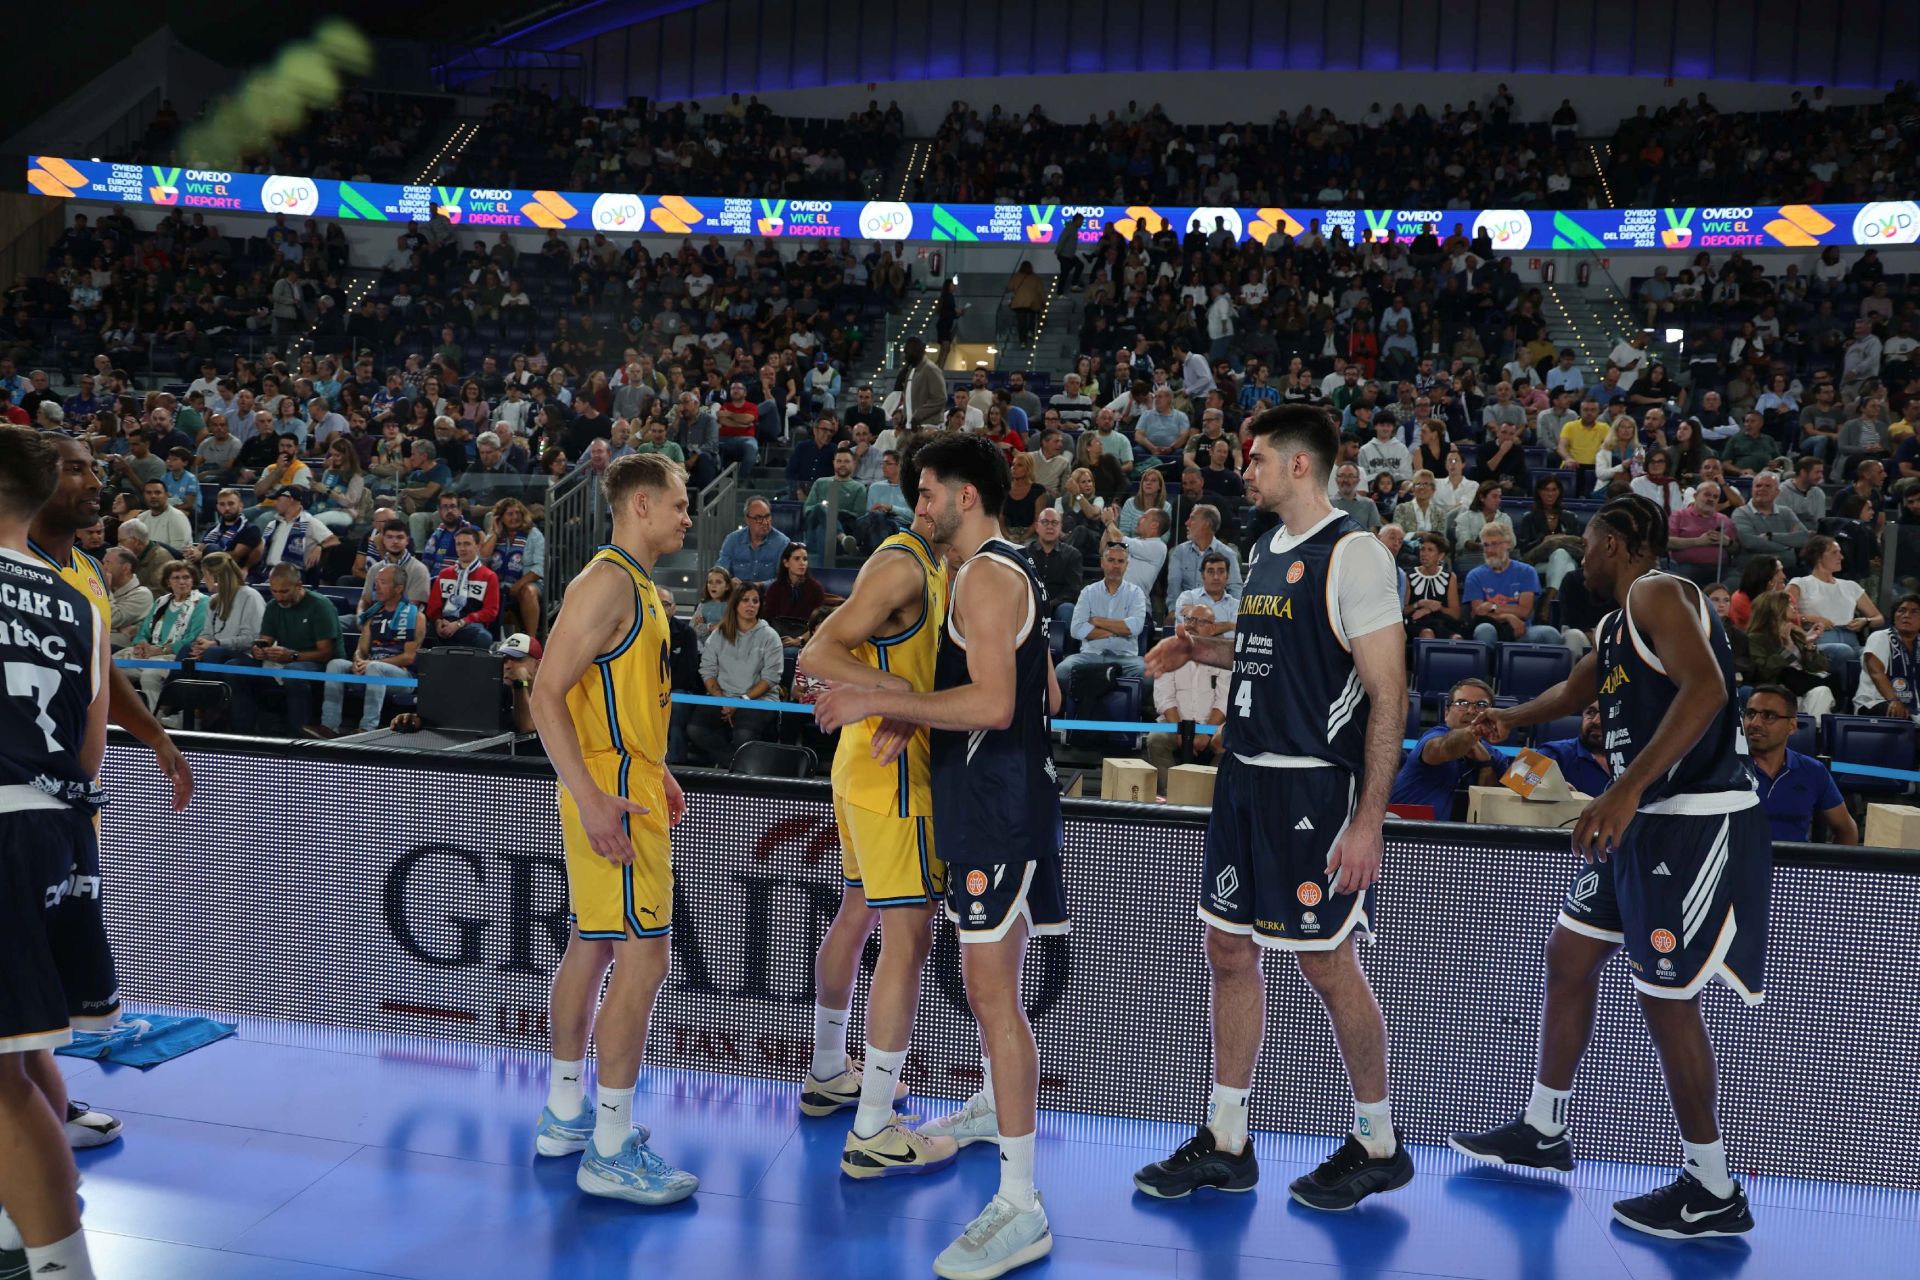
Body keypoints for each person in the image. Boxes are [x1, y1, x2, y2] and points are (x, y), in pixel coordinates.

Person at [1452, 495, 1769, 1240]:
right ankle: (1544, 1125)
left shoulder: (1659, 591)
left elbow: (1707, 689)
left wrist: (1624, 788)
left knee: (1666, 998)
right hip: (1641, 823)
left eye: (1590, 544)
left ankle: (1712, 1184)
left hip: (1691, 821)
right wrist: (1511, 719)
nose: (1582, 556)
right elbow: (1576, 688)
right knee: (1570, 954)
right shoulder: (1616, 621)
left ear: (1622, 544)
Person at [1133, 405, 1412, 1211]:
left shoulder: (1354, 553)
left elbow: (1389, 695)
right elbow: (1266, 654)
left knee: (1326, 962)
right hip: (1243, 779)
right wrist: (1197, 650)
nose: (1243, 469)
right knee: (1227, 950)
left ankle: (1379, 1140)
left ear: (1298, 466)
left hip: (1313, 790)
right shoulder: (1261, 550)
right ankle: (1227, 1138)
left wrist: (1368, 820)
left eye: (1255, 459)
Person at [814, 433, 1066, 1279]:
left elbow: (995, 704)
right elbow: (1043, 691)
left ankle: (1021, 1205)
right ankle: (996, 1109)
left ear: (966, 496)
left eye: (928, 490)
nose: (918, 503)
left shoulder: (987, 576)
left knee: (992, 995)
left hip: (995, 804)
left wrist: (893, 699)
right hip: (1003, 798)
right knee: (988, 985)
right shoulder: (994, 573)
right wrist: (915, 708)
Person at [527, 453, 698, 1206]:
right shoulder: (608, 582)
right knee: (645, 961)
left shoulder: (637, 586)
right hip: (612, 796)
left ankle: (567, 1115)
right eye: (679, 504)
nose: (688, 516)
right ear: (639, 505)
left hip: (627, 779)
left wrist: (653, 762)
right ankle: (609, 1147)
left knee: (592, 946)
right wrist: (594, 795)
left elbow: (612, 692)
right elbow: (543, 693)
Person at [794, 468, 954, 1175]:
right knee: (908, 939)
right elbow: (817, 653)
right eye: (919, 494)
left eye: (931, 495)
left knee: (857, 914)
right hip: (891, 773)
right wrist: (901, 694)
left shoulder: (931, 566)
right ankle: (876, 1126)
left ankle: (830, 1069)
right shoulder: (902, 565)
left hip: (861, 766)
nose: (923, 507)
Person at [0, 426, 113, 1280]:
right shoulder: (76, 596)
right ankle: (18, 1231)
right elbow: (90, 738)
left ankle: (57, 1264)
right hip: (55, 823)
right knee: (15, 1052)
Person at [316, 563, 424, 737]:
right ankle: (328, 726)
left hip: (401, 678)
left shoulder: (415, 616)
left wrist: (372, 663)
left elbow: (408, 658)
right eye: (376, 581)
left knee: (375, 668)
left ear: (398, 588)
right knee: (335, 664)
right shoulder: (374, 614)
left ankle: (367, 729)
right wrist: (358, 660)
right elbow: (362, 648)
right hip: (371, 670)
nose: (376, 586)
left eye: (383, 582)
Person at [1743, 685, 1858, 844]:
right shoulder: (1726, 768)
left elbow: (1846, 829)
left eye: (1768, 716)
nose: (1754, 723)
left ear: (1792, 726)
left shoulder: (1813, 772)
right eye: (1750, 714)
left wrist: (1827, 868)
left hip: (1793, 867)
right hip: (1739, 867)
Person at [689, 581, 784, 764]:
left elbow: (770, 678)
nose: (751, 605)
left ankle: (738, 772)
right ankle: (735, 765)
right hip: (722, 696)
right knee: (695, 729)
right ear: (735, 604)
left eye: (755, 601)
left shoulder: (770, 636)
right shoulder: (719, 634)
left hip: (758, 701)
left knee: (743, 734)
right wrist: (722, 699)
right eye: (745, 600)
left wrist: (741, 701)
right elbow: (707, 669)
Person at [1389, 678, 1510, 818]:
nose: (1471, 711)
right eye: (1462, 703)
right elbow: (1444, 749)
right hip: (1407, 832)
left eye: (1481, 705)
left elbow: (1491, 810)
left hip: (1459, 836)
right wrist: (1474, 732)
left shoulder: (1495, 756)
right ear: (1446, 713)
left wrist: (1485, 764)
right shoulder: (1435, 737)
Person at [127, 560, 207, 709]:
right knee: (112, 668)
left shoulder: (202, 602)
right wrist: (141, 645)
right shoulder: (161, 602)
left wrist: (161, 650)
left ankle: (155, 720)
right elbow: (143, 632)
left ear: (193, 580)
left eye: (186, 577)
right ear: (168, 582)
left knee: (150, 675)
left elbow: (194, 638)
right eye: (176, 578)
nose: (182, 582)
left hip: (176, 656)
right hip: (150, 653)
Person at [1465, 526, 1562, 647]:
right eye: (1485, 545)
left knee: (1550, 634)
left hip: (1521, 630)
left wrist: (1493, 606)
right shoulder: (1474, 575)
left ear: (1508, 545)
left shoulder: (1526, 572)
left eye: (1494, 544)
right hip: (1492, 627)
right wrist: (1508, 616)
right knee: (1484, 629)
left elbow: (1524, 611)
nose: (1489, 550)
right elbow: (1478, 613)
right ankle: (1486, 665)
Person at [426, 526, 502, 648]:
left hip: (470, 625)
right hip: (444, 623)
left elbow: (491, 612)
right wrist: (438, 622)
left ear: (477, 546)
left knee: (484, 637)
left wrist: (459, 624)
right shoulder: (444, 574)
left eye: (467, 544)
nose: (462, 548)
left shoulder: (489, 576)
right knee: (422, 635)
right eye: (459, 544)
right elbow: (433, 607)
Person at [1856, 594, 1920, 715]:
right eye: (1901, 611)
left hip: (1915, 705)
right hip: (1877, 702)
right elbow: (1876, 672)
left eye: (1914, 612)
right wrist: (1894, 700)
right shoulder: (1880, 637)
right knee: (1897, 712)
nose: (1906, 615)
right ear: (1894, 616)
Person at [715, 497, 790, 584]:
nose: (765, 522)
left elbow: (784, 579)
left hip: (768, 595)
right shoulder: (732, 540)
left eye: (767, 516)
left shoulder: (782, 543)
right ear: (747, 520)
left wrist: (758, 586)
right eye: (758, 518)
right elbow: (720, 572)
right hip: (737, 594)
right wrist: (730, 582)